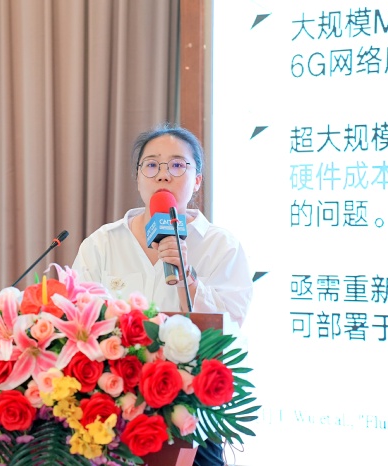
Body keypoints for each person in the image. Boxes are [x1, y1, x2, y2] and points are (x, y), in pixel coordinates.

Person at [72, 123, 253, 466]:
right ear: (138, 178)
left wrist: (187, 276)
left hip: (192, 414)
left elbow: (230, 327)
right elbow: (79, 319)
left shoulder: (221, 246)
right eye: (152, 165)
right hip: (112, 408)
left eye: (177, 165)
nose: (163, 175)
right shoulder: (102, 243)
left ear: (197, 180)